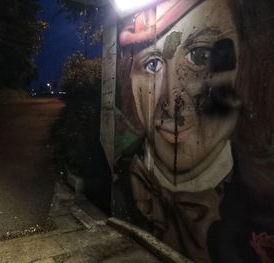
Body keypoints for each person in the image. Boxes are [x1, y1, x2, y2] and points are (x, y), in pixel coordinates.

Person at [114, 0, 274, 262]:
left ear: (245, 66)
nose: (170, 99)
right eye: (152, 64)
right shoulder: (116, 177)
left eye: (200, 56)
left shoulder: (264, 202)